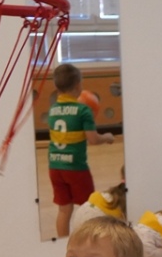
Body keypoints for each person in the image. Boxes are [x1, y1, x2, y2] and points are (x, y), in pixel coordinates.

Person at [48, 63, 116, 239]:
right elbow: (93, 140)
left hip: (55, 166)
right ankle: (87, 242)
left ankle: (63, 243)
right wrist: (107, 137)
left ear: (56, 86)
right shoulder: (83, 110)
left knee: (64, 210)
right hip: (75, 168)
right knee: (88, 207)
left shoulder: (53, 110)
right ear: (79, 85)